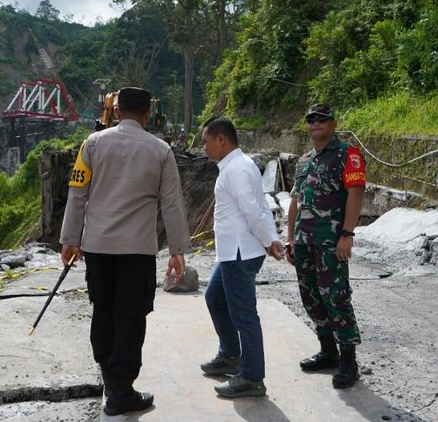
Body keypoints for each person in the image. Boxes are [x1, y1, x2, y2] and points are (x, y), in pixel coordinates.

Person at [59, 87, 191, 416]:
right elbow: (172, 205)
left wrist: (69, 240)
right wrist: (177, 250)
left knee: (103, 310)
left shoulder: (91, 144)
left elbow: (77, 192)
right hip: (137, 251)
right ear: (147, 115)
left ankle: (111, 379)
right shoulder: (161, 150)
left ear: (116, 112)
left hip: (98, 250)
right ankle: (121, 390)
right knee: (130, 317)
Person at [199, 117, 285, 398]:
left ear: (221, 140)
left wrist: (270, 241)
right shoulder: (239, 165)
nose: (204, 147)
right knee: (215, 297)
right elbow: (260, 207)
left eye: (206, 141)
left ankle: (251, 377)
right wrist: (269, 238)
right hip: (232, 252)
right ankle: (230, 355)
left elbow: (253, 211)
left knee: (244, 315)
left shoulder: (236, 169)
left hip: (239, 253)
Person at [286, 103, 366, 389]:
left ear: (332, 123)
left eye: (322, 119)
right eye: (311, 119)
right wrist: (290, 238)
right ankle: (327, 350)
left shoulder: (348, 154)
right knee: (311, 297)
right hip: (304, 242)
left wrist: (347, 234)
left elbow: (355, 194)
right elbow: (295, 200)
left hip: (331, 243)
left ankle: (349, 361)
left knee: (336, 297)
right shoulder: (304, 160)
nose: (315, 123)